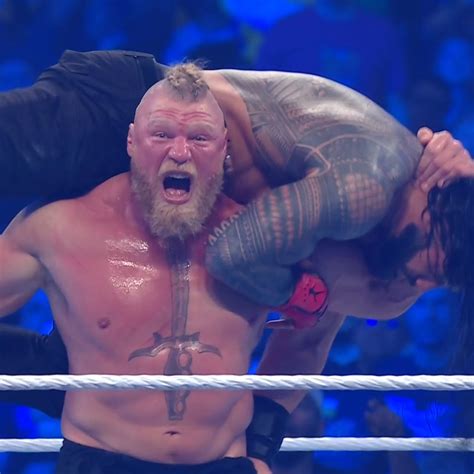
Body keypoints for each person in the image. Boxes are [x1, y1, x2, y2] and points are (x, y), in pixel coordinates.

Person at [0, 50, 473, 467]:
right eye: (434, 266)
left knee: (110, 347)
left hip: (203, 175)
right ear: (439, 212)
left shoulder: (382, 271)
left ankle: (71, 376)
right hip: (136, 105)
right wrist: (297, 294)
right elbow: (238, 258)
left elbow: (307, 340)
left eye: (442, 283)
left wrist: (258, 449)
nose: (425, 284)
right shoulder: (363, 184)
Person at [0, 64, 269, 473]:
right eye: (162, 135)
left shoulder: (264, 238)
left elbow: (317, 327)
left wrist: (266, 436)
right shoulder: (61, 230)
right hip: (99, 461)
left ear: (223, 147)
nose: (180, 152)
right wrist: (33, 364)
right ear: (131, 140)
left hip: (224, 462)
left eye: (199, 138)